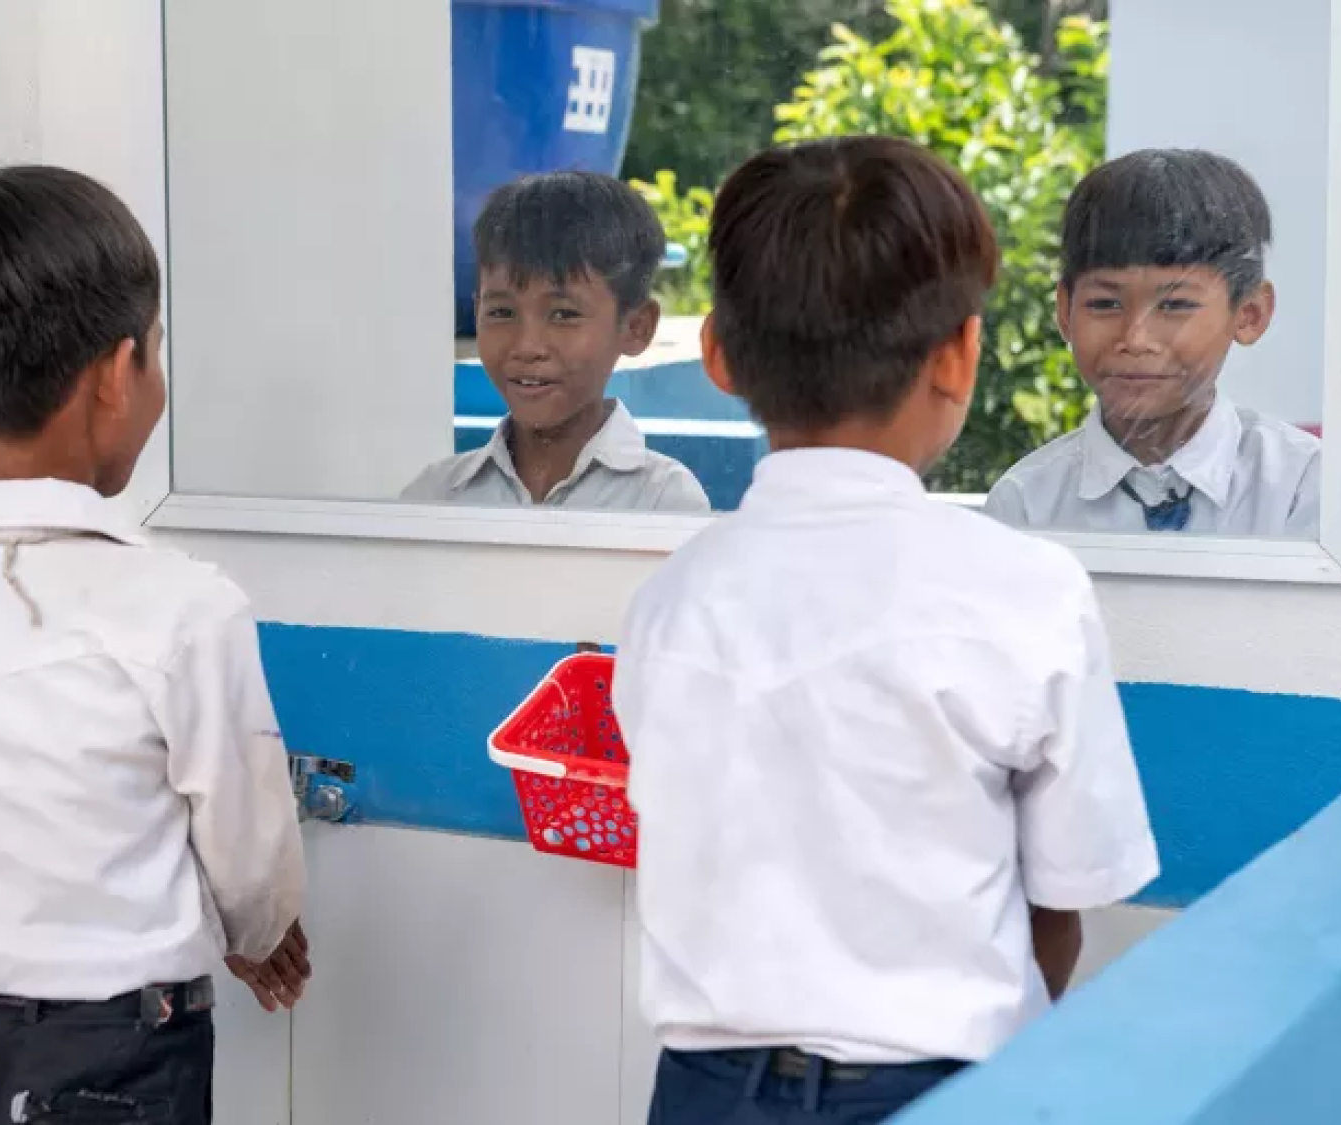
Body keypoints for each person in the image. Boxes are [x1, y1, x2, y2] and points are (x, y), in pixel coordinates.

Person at [613, 138, 1159, 1125]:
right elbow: (1066, 896)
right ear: (957, 354)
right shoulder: (1023, 590)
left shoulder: (670, 602)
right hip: (942, 1084)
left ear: (717, 358)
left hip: (699, 1092)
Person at [0, 162, 308, 1125]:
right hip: (117, 1064)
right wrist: (261, 932)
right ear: (116, 372)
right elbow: (248, 855)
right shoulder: (182, 608)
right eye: (158, 352)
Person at [985, 148, 1320, 536]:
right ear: (1065, 312)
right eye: (1105, 303)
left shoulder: (1304, 488)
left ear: (1249, 314)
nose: (1135, 340)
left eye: (1175, 305)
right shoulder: (1026, 504)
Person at [401, 172, 711, 511]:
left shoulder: (661, 501)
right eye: (502, 312)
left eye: (563, 315)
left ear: (636, 327)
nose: (527, 346)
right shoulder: (436, 497)